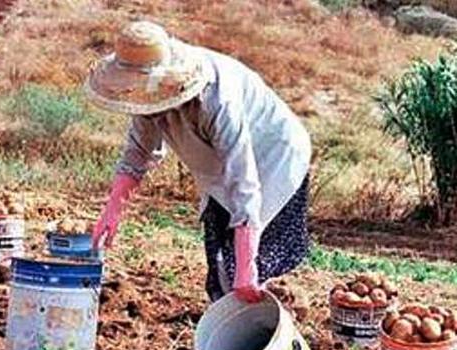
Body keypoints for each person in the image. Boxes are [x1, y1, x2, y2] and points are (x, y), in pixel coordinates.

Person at [86, 21, 312, 303]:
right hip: (218, 169)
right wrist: (113, 210)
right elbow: (138, 153)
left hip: (272, 158)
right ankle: (231, 327)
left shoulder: (217, 98)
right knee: (220, 261)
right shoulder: (146, 95)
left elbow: (244, 179)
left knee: (242, 269)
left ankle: (264, 335)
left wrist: (246, 267)